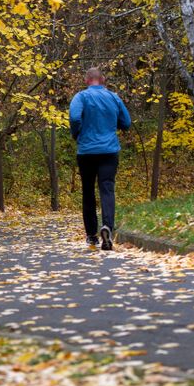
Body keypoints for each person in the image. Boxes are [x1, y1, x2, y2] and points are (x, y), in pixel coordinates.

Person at [69, 67, 131, 250]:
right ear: (102, 80)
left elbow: (74, 117)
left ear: (87, 80)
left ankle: (91, 235)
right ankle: (107, 227)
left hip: (87, 151)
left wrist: (77, 134)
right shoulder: (114, 97)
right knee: (107, 189)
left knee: (88, 191)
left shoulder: (80, 97)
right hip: (109, 151)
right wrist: (113, 125)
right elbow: (126, 123)